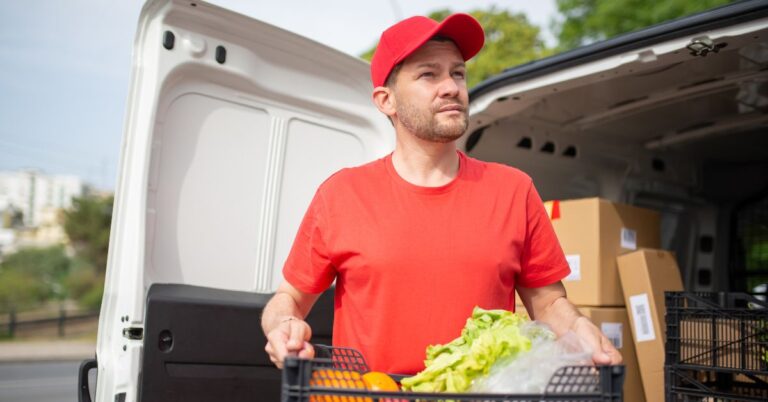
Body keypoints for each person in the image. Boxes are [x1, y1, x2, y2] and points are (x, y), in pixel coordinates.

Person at [261, 13, 622, 374]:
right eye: (428, 74)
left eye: (458, 73)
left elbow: (547, 302)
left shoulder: (514, 190)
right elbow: (289, 299)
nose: (451, 87)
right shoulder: (341, 195)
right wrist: (281, 326)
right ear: (386, 100)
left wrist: (578, 330)